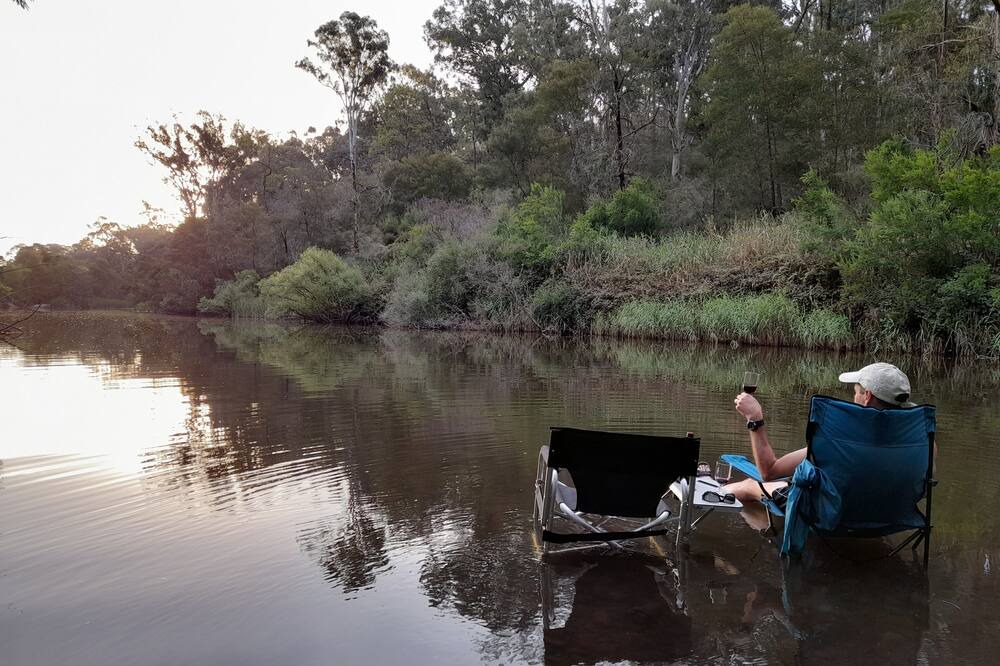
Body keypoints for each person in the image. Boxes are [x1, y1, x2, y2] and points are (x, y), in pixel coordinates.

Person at [725, 362, 917, 504]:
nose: (854, 395)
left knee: (750, 485)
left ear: (867, 397)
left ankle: (706, 494)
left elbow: (769, 472)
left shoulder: (839, 439)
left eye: (856, 391)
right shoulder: (921, 441)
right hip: (888, 513)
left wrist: (755, 418)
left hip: (833, 513)